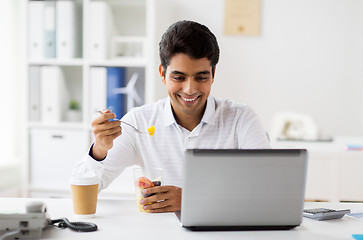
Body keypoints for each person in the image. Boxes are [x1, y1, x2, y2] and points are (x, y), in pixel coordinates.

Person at [73, 20, 270, 213]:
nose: (190, 90)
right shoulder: (139, 122)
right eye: (179, 77)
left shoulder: (241, 119)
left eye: (201, 77)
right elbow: (84, 186)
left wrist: (192, 199)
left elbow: (267, 192)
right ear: (162, 74)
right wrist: (99, 149)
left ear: (213, 74)